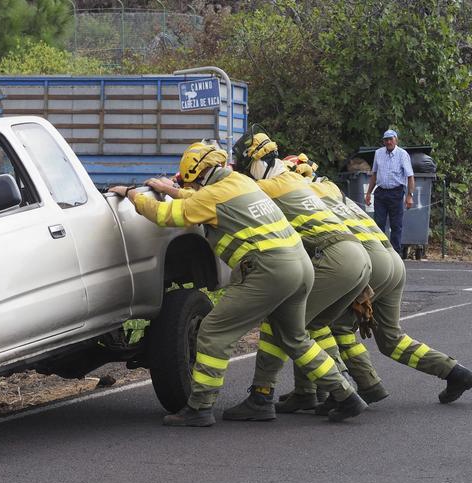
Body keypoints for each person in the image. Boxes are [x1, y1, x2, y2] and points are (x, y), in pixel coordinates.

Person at [109, 141, 366, 427]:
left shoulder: (211, 196)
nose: (189, 188)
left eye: (189, 182)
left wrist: (132, 194)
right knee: (295, 337)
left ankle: (200, 407)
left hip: (270, 270)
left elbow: (166, 215)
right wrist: (172, 190)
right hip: (301, 265)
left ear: (199, 175)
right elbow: (201, 198)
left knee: (213, 331)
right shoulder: (239, 181)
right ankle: (346, 395)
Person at [220, 133, 371, 420]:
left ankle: (264, 396)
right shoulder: (290, 178)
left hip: (335, 257)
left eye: (243, 165)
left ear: (255, 162)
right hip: (354, 255)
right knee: (312, 326)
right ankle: (319, 392)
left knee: (284, 325)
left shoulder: (268, 185)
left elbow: (234, 195)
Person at [299, 164, 472, 407]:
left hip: (368, 263)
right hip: (392, 260)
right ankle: (455, 373)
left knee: (329, 325)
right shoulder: (336, 196)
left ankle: (352, 388)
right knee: (391, 339)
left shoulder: (304, 202)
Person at [365, 129, 414, 253]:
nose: (388, 142)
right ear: (383, 141)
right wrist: (368, 193)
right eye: (386, 140)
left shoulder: (402, 154)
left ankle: (395, 253)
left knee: (396, 225)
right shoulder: (378, 153)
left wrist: (409, 195)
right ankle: (380, 252)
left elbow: (410, 176)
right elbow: (374, 175)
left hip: (396, 192)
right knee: (379, 223)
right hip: (381, 192)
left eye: (390, 139)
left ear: (396, 140)